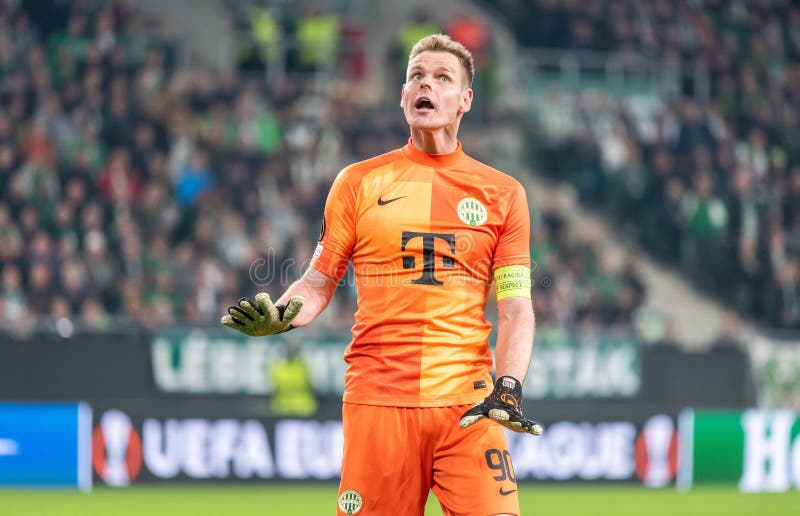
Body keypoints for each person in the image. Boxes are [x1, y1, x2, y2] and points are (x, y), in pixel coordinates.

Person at [222, 34, 541, 516]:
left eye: (441, 77)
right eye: (416, 76)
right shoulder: (358, 182)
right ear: (402, 94)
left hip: (469, 404)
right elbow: (317, 281)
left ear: (465, 100)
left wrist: (509, 385)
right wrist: (282, 316)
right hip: (379, 402)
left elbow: (515, 305)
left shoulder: (504, 194)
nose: (424, 85)